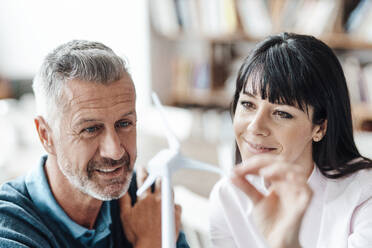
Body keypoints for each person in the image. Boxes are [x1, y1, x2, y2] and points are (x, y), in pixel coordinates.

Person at [0, 40, 189, 248]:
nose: (115, 151)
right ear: (46, 135)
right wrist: (150, 243)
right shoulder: (10, 229)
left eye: (124, 123)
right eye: (90, 129)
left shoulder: (146, 199)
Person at [209, 32, 372, 248]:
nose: (255, 127)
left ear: (320, 127)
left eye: (282, 113)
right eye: (248, 104)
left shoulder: (364, 196)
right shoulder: (228, 197)